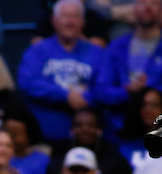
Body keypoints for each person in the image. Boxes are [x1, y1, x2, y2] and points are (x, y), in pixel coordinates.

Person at [93, 0, 162, 141]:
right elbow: (101, 90)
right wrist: (127, 91)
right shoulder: (116, 47)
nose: (148, 7)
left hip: (159, 134)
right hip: (117, 131)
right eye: (143, 2)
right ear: (134, 8)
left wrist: (147, 92)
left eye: (154, 3)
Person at [17, 0, 105, 146]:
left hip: (88, 139)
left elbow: (105, 86)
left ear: (83, 22)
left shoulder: (98, 53)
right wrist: (66, 95)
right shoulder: (38, 50)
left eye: (75, 17)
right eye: (65, 16)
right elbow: (28, 82)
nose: (70, 22)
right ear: (54, 21)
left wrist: (86, 97)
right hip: (41, 138)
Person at [43, 109, 133, 174]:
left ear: (99, 129)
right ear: (72, 129)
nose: (85, 129)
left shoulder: (115, 160)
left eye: (91, 125)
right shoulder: (59, 156)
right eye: (79, 125)